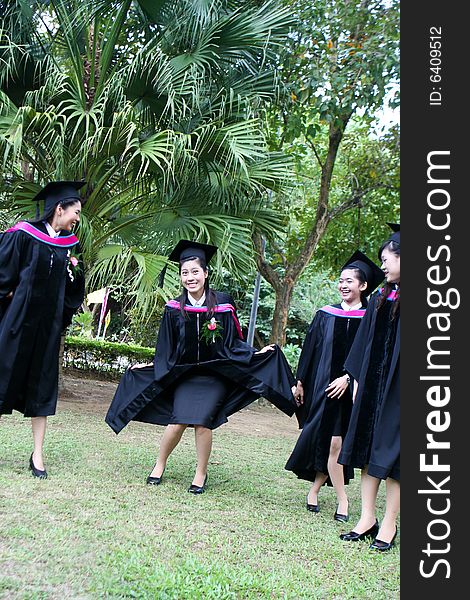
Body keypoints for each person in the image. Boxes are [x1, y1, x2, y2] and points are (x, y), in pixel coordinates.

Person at [105, 239, 298, 493]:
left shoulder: (224, 304)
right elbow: (166, 346)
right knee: (177, 422)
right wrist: (151, 365)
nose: (190, 277)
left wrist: (256, 354)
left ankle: (200, 473)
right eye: (185, 273)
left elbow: (234, 341)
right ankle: (159, 464)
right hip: (185, 375)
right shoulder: (174, 308)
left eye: (195, 272)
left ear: (206, 274)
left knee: (202, 422)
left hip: (216, 375)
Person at [285, 251, 384, 522]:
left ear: (363, 286)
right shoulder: (325, 314)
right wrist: (300, 381)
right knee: (332, 443)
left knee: (336, 446)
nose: (343, 285)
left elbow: (370, 356)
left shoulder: (371, 318)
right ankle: (342, 500)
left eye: (350, 281)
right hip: (324, 388)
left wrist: (349, 377)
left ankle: (316, 490)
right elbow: (310, 349)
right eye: (341, 280)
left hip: (354, 393)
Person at [0, 181, 86, 478]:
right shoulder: (24, 234)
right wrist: (12, 295)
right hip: (17, 325)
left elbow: (74, 290)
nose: (77, 218)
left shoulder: (70, 246)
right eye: (75, 211)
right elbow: (4, 271)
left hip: (47, 331)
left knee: (42, 388)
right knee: (1, 378)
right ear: (59, 209)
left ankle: (37, 455)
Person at [338, 225, 400, 551]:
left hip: (401, 393)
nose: (383, 265)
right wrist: (356, 377)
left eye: (387, 259)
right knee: (365, 449)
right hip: (372, 387)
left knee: (394, 458)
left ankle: (389, 524)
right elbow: (363, 344)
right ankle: (367, 517)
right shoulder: (379, 296)